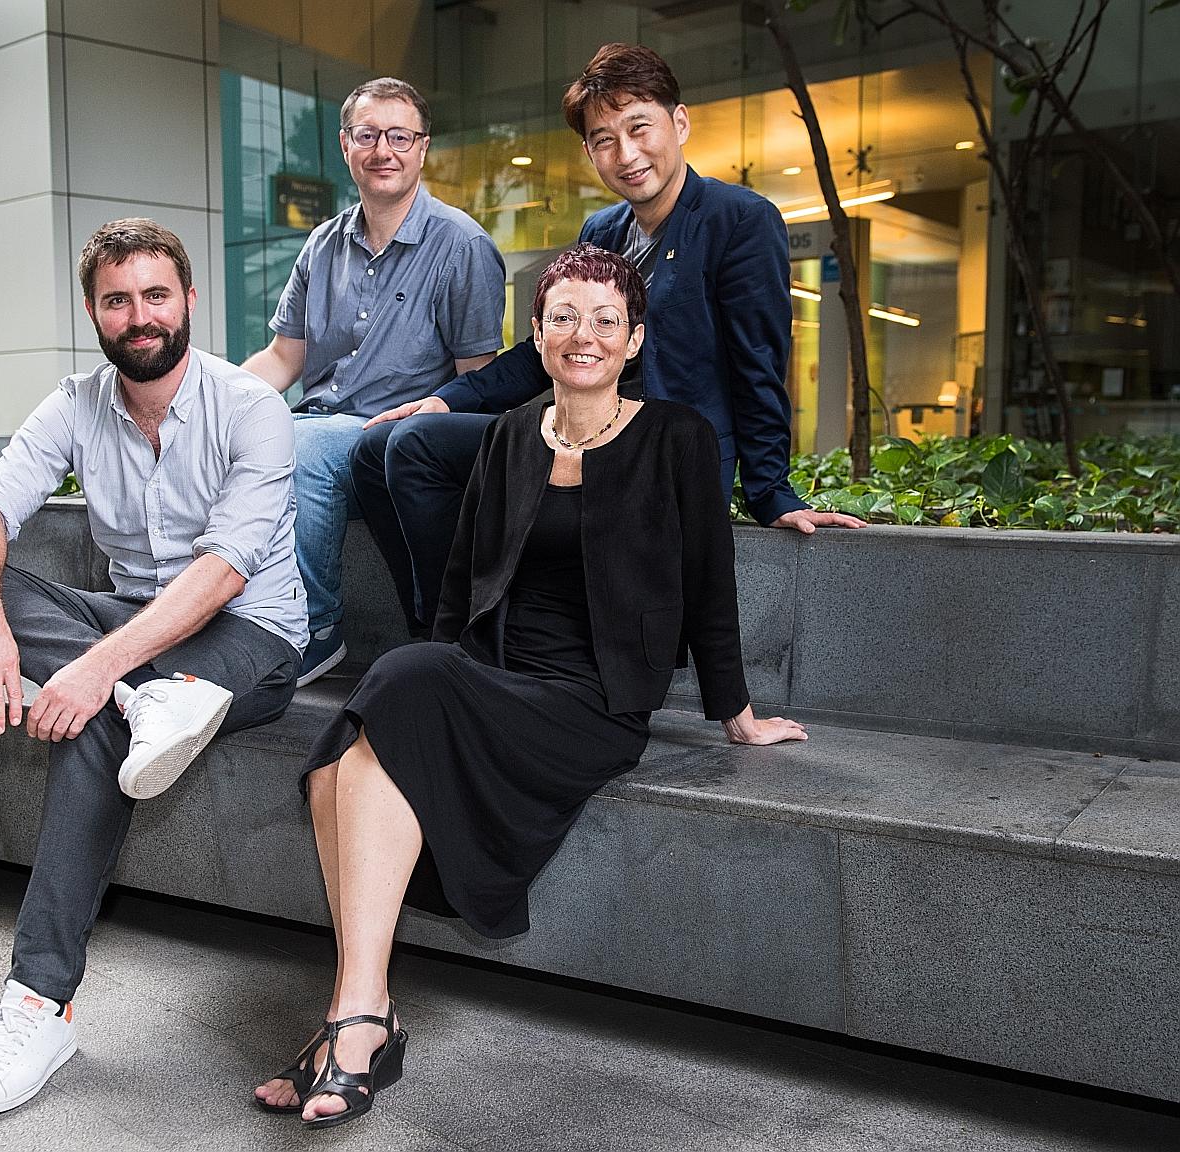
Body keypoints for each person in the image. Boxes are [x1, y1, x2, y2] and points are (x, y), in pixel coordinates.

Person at [252, 245, 808, 1130]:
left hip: (592, 700)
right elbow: (461, 578)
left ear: (632, 342)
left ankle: (360, 1023)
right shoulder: (512, 433)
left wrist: (735, 715)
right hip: (494, 674)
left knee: (375, 717)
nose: (581, 335)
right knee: (341, 762)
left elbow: (711, 583)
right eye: (562, 317)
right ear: (539, 335)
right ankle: (358, 1015)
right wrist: (429, 689)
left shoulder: (678, 438)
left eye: (604, 320)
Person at [0, 219, 306, 1118]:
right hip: (133, 625)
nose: (139, 316)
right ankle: (155, 698)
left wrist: (92, 674)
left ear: (190, 303)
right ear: (93, 311)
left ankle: (35, 1003)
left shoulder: (251, 407)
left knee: (93, 715)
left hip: (250, 638)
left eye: (156, 295)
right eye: (117, 299)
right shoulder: (75, 403)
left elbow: (225, 571)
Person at [351, 43, 864, 638]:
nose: (626, 154)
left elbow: (759, 363)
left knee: (414, 447)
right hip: (576, 430)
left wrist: (770, 490)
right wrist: (446, 400)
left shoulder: (738, 219)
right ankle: (437, 628)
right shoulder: (604, 229)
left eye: (638, 127)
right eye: (602, 139)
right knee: (377, 449)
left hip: (656, 451)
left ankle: (459, 635)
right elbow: (547, 349)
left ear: (679, 122)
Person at [241, 76, 506, 682]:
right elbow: (284, 358)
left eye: (399, 136)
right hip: (316, 422)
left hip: (386, 442)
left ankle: (317, 630)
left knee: (300, 448)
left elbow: (478, 382)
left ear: (422, 147)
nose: (383, 150)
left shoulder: (463, 246)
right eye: (368, 135)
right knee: (235, 440)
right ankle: (229, 619)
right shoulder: (323, 243)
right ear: (345, 145)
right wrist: (208, 404)